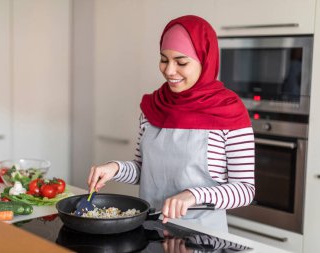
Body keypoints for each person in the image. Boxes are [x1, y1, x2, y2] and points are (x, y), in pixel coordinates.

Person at [88, 15, 255, 232]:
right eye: (164, 59)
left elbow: (245, 190)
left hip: (202, 237)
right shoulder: (153, 106)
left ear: (205, 60)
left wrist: (194, 195)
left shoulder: (229, 110)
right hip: (148, 231)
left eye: (181, 62)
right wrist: (115, 168)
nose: (169, 71)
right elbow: (143, 170)